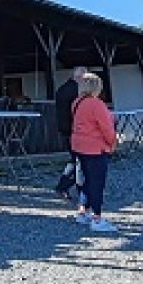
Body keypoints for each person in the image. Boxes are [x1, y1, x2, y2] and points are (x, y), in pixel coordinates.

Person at [71, 72, 118, 232]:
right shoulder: (97, 104)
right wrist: (113, 143)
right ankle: (96, 218)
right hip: (95, 147)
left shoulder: (77, 103)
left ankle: (82, 211)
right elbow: (107, 127)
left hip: (79, 146)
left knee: (86, 181)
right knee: (97, 182)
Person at [54, 66, 87, 200]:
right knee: (80, 161)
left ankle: (65, 186)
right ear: (80, 77)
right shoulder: (78, 92)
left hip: (64, 129)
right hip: (76, 130)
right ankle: (68, 187)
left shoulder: (61, 89)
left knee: (74, 160)